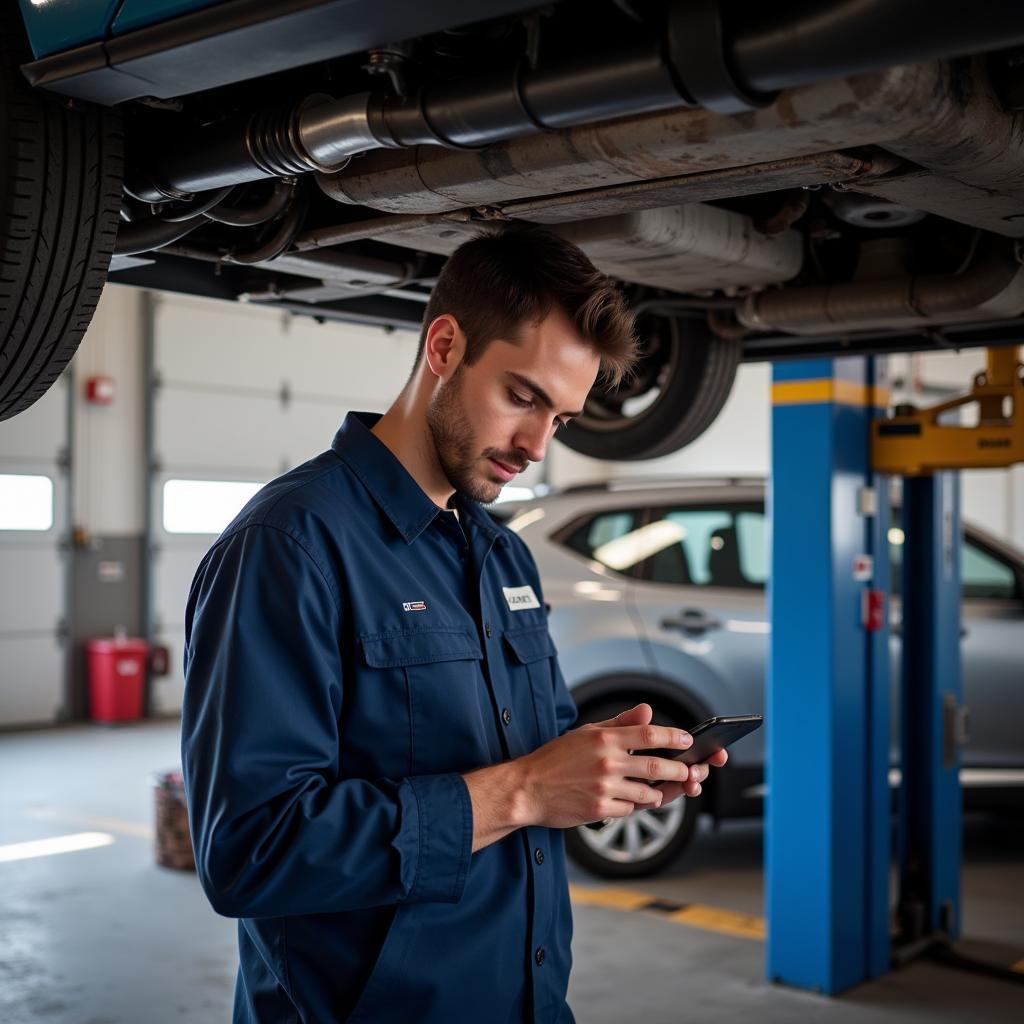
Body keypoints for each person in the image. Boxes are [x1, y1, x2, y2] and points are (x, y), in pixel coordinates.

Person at [181, 225, 728, 1024]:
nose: (537, 445)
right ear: (444, 346)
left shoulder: (505, 556)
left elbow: (523, 762)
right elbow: (250, 853)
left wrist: (605, 771)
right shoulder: (290, 547)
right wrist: (525, 791)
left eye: (563, 419)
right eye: (523, 396)